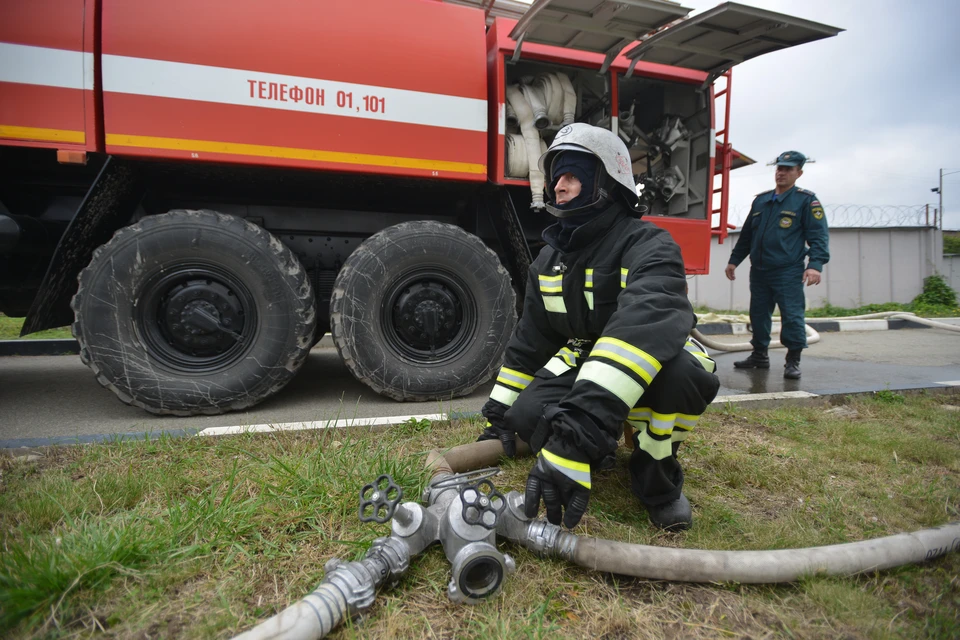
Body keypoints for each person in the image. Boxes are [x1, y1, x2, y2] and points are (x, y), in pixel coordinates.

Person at [478, 123, 720, 531]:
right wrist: (498, 420)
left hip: (655, 359)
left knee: (680, 376)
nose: (559, 185)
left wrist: (578, 430)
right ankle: (599, 447)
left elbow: (638, 335)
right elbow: (530, 344)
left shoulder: (649, 245)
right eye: (557, 175)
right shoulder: (550, 259)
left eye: (573, 174)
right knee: (527, 416)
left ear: (606, 182)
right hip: (588, 357)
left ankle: (655, 476)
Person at [724, 151, 829, 380]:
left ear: (798, 173)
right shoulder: (761, 200)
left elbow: (819, 236)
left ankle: (793, 361)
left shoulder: (805, 201)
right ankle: (759, 356)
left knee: (792, 316)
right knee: (758, 315)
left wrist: (815, 265)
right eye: (779, 168)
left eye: (788, 169)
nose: (781, 172)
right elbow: (747, 236)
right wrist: (734, 260)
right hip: (759, 271)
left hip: (787, 271)